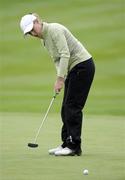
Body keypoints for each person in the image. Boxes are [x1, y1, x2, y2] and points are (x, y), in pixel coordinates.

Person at [20, 13, 95, 156]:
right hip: (73, 70)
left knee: (72, 107)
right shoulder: (44, 40)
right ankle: (66, 143)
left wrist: (60, 79)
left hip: (83, 66)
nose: (32, 33)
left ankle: (74, 146)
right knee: (65, 108)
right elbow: (57, 60)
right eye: (29, 32)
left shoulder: (54, 30)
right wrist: (61, 78)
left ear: (37, 21)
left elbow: (65, 54)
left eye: (32, 29)